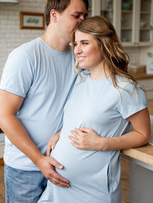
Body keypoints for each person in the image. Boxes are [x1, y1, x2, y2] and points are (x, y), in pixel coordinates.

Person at [38, 16, 151, 203]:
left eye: (84, 43)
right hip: (58, 188)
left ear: (104, 45)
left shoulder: (125, 88)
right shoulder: (81, 80)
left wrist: (100, 143)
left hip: (93, 191)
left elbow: (143, 134)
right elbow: (80, 117)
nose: (77, 50)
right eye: (75, 43)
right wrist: (61, 133)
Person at [0, 0, 88, 203]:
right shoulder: (26, 56)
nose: (82, 22)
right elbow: (3, 115)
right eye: (76, 16)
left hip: (62, 164)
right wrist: (39, 160)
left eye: (85, 16)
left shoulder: (78, 59)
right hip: (26, 168)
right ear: (54, 15)